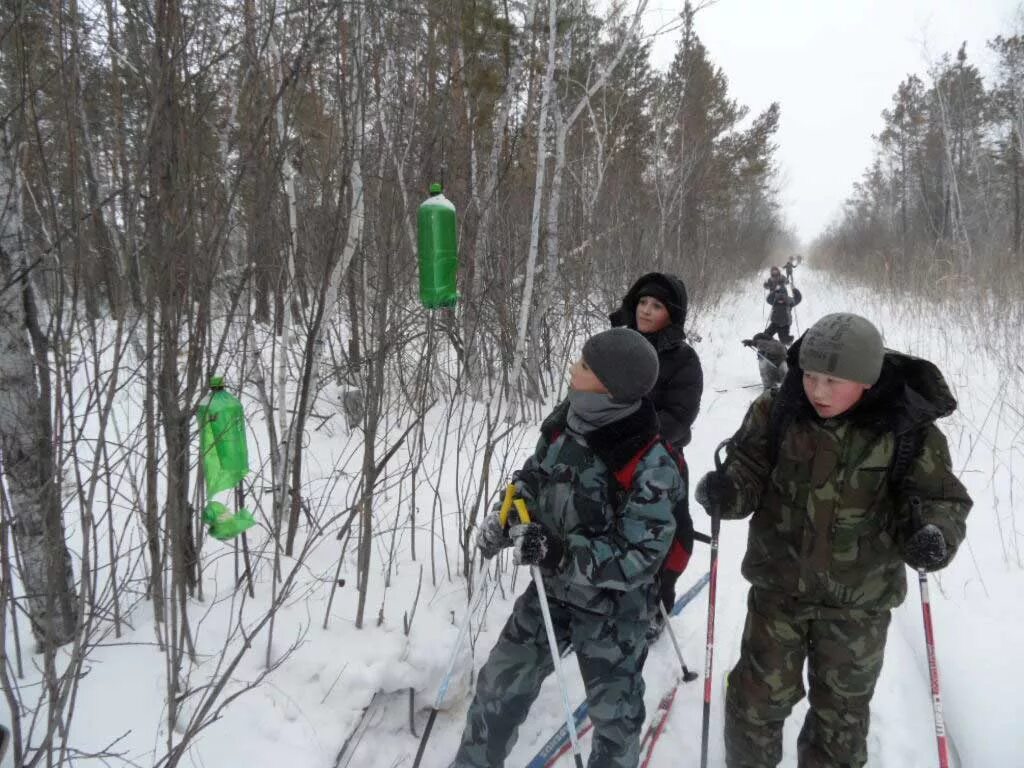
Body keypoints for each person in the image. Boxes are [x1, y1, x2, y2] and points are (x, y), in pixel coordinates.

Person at [695, 313, 972, 768]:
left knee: (840, 720)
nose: (817, 391)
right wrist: (728, 490)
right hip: (779, 590)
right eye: (809, 376)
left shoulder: (904, 431)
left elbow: (940, 498)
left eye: (833, 380)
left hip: (859, 606)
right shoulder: (776, 411)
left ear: (866, 380)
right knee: (754, 703)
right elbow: (748, 467)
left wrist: (934, 534)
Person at [452, 328, 684, 768]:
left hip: (613, 611)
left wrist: (561, 552)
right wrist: (507, 518)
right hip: (551, 592)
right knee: (499, 687)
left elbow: (639, 558)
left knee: (615, 721)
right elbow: (533, 478)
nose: (573, 368)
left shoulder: (650, 462)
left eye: (584, 365)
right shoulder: (565, 424)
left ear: (609, 386)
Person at [609, 272, 702, 633]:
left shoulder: (683, 361)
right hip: (607, 458)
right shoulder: (612, 345)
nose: (646, 311)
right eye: (643, 303)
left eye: (657, 306)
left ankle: (657, 604)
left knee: (668, 539)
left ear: (672, 314)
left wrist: (628, 430)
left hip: (659, 464)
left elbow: (680, 418)